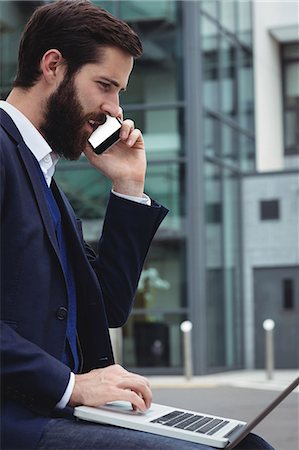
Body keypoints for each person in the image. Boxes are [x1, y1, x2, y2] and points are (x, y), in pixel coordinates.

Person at [0, 1, 275, 449]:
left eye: (120, 92)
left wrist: (129, 186)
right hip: (20, 420)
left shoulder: (45, 181)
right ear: (53, 65)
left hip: (57, 412)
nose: (114, 111)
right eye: (105, 86)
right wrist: (72, 385)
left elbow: (106, 306)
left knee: (247, 443)